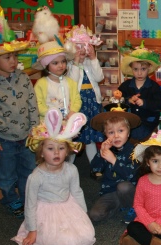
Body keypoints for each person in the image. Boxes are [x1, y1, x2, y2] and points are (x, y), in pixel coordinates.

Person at [0, 18, 38, 218]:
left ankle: (28, 199)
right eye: (6, 57)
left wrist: (35, 129)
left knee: (28, 171)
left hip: (26, 136)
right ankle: (11, 199)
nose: (13, 61)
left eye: (14, 56)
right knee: (6, 176)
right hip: (3, 141)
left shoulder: (23, 78)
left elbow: (32, 103)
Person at [12, 108, 95, 245]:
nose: (56, 153)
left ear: (67, 151)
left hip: (68, 205)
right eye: (50, 148)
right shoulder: (36, 177)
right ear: (42, 153)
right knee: (60, 241)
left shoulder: (71, 170)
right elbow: (30, 204)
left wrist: (84, 214)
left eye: (61, 148)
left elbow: (76, 191)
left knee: (86, 235)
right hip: (46, 211)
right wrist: (32, 230)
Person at [88, 105, 142, 222]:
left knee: (123, 187)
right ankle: (117, 207)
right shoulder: (108, 149)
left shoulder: (134, 151)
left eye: (121, 131)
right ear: (106, 135)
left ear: (128, 133)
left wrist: (114, 161)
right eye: (111, 132)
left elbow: (131, 175)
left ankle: (133, 208)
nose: (116, 136)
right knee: (94, 215)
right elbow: (95, 168)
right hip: (110, 191)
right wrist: (101, 153)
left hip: (129, 192)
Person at [65, 25, 105, 172]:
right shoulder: (69, 66)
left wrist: (93, 58)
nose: (81, 50)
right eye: (78, 47)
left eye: (84, 46)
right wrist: (76, 62)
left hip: (92, 104)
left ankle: (95, 168)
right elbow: (72, 83)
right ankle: (67, 168)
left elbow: (99, 77)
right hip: (77, 106)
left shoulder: (90, 63)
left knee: (91, 139)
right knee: (72, 138)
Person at [119, 42, 161, 141]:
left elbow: (159, 105)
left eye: (143, 69)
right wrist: (128, 101)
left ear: (149, 68)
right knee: (130, 147)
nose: (139, 73)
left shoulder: (154, 87)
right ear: (131, 69)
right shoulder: (125, 86)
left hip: (149, 125)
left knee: (147, 149)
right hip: (128, 126)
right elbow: (117, 102)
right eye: (136, 69)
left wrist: (145, 103)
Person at [33, 41, 81, 122]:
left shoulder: (70, 82)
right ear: (46, 65)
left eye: (63, 61)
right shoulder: (41, 84)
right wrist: (51, 114)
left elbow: (77, 99)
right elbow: (38, 104)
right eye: (55, 63)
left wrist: (73, 111)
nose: (61, 65)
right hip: (48, 123)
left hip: (67, 122)